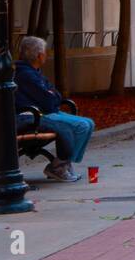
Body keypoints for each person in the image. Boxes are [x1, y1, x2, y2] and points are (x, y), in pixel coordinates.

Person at [13, 36, 96, 182]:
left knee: (89, 123)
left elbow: (54, 94)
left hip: (45, 111)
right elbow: (48, 99)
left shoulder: (34, 71)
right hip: (37, 115)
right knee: (81, 125)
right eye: (45, 52)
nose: (46, 54)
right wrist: (52, 96)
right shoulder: (25, 74)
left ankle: (64, 164)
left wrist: (52, 96)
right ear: (39, 55)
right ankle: (59, 166)